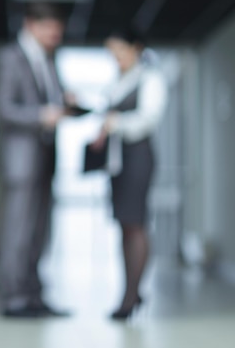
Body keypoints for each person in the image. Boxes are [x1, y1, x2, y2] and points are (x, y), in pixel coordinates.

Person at [0, 2, 72, 317]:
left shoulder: (47, 59)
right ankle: (13, 299)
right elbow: (5, 107)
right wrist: (42, 115)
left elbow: (51, 96)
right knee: (18, 231)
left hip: (46, 156)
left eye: (58, 29)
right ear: (31, 25)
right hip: (22, 160)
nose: (55, 35)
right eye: (49, 28)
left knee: (39, 231)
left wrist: (64, 101)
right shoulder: (12, 57)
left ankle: (33, 295)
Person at [89, 26, 168, 320]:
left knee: (135, 224)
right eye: (112, 53)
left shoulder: (151, 78)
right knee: (125, 224)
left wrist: (115, 123)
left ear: (136, 48)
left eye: (119, 51)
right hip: (118, 162)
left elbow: (147, 119)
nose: (116, 58)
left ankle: (131, 296)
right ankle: (131, 290)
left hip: (138, 159)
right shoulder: (120, 80)